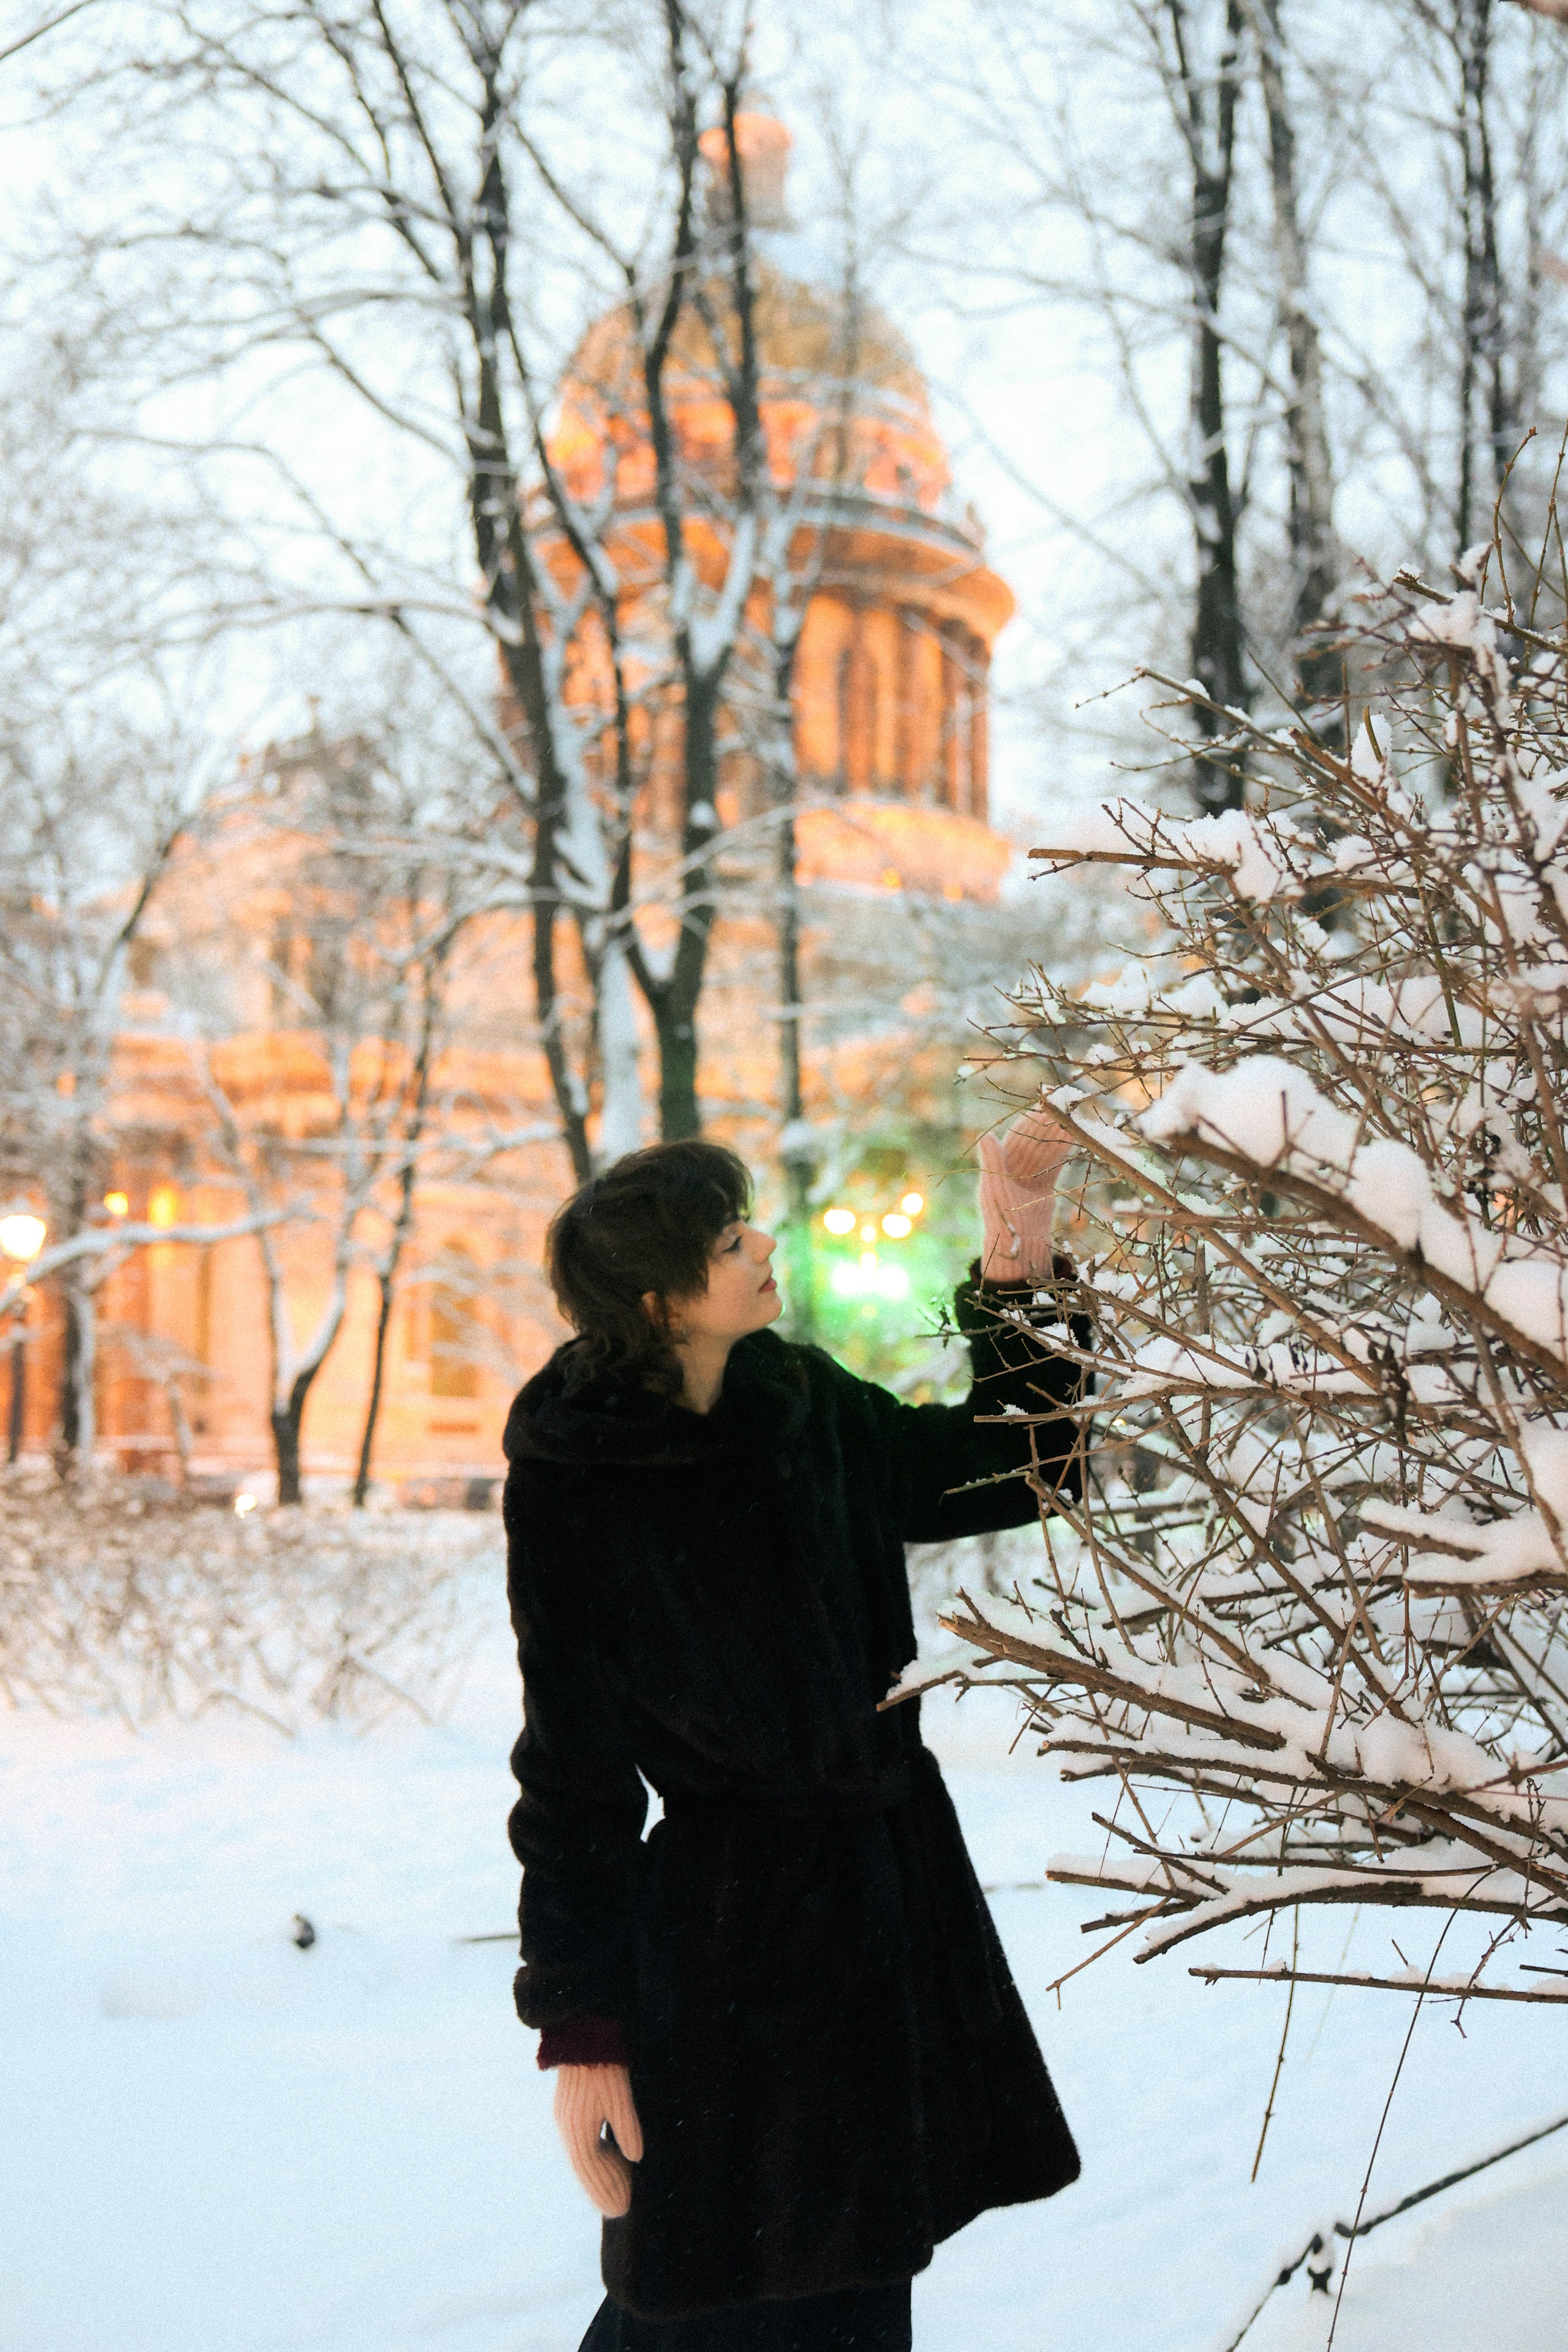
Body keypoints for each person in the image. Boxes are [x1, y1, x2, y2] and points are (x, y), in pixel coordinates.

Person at [502, 1112, 1087, 2352]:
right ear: (659, 1302)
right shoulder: (579, 1473)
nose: (763, 1242)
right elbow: (571, 1772)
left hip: (886, 1899)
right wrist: (583, 2028)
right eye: (729, 1239)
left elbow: (1020, 1462)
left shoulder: (802, 1401)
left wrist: (1015, 1246)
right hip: (727, 1941)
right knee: (702, 2301)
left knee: (859, 2289)